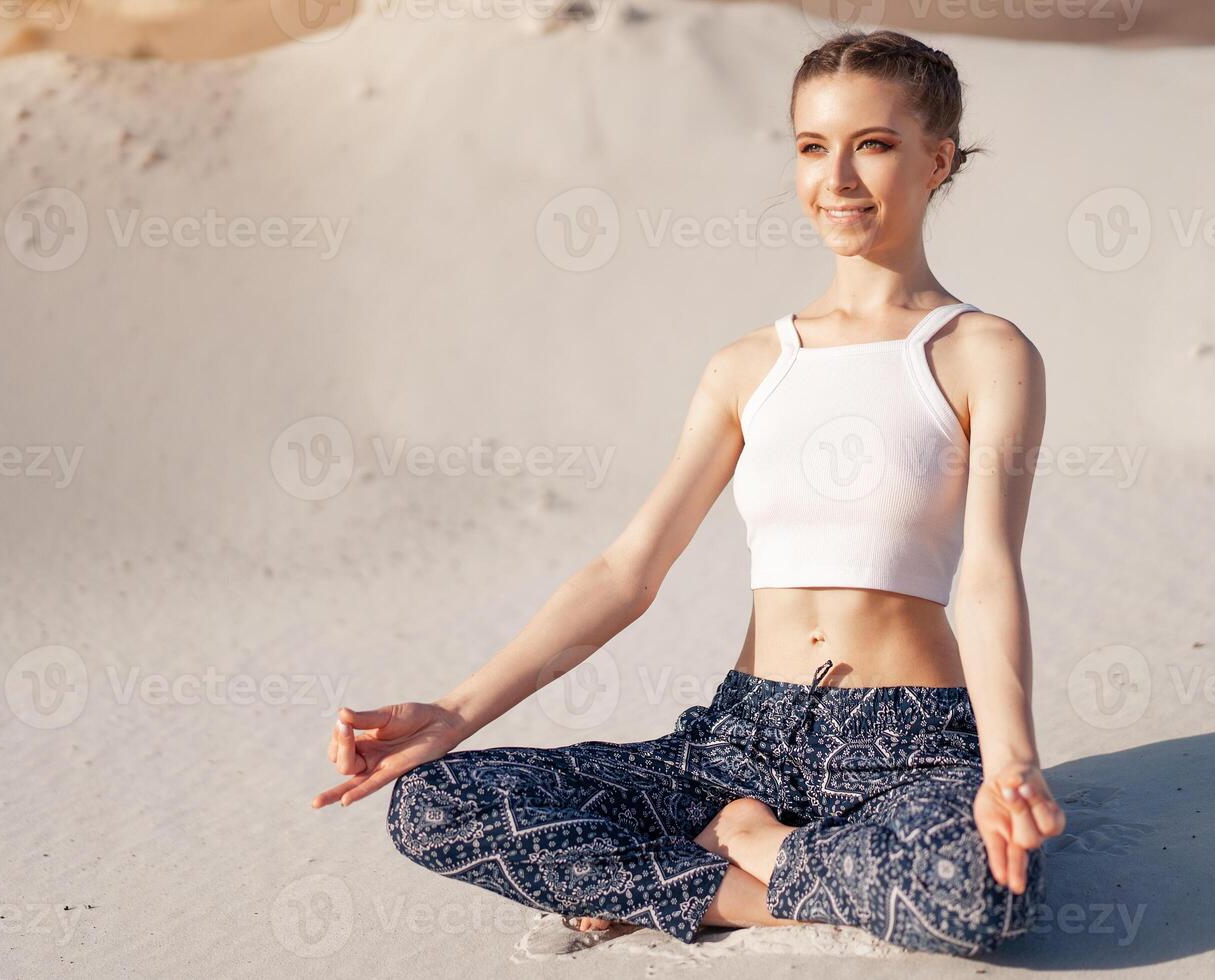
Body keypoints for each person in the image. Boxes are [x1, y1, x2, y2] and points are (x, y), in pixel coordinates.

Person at [312, 28, 1066, 956]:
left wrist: (1010, 762)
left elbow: (989, 574)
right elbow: (629, 570)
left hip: (907, 742)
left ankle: (733, 852)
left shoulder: (984, 353)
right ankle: (758, 880)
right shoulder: (750, 365)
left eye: (872, 144)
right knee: (433, 803)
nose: (837, 178)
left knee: (980, 896)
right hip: (737, 736)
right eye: (811, 147)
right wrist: (459, 713)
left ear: (937, 159)